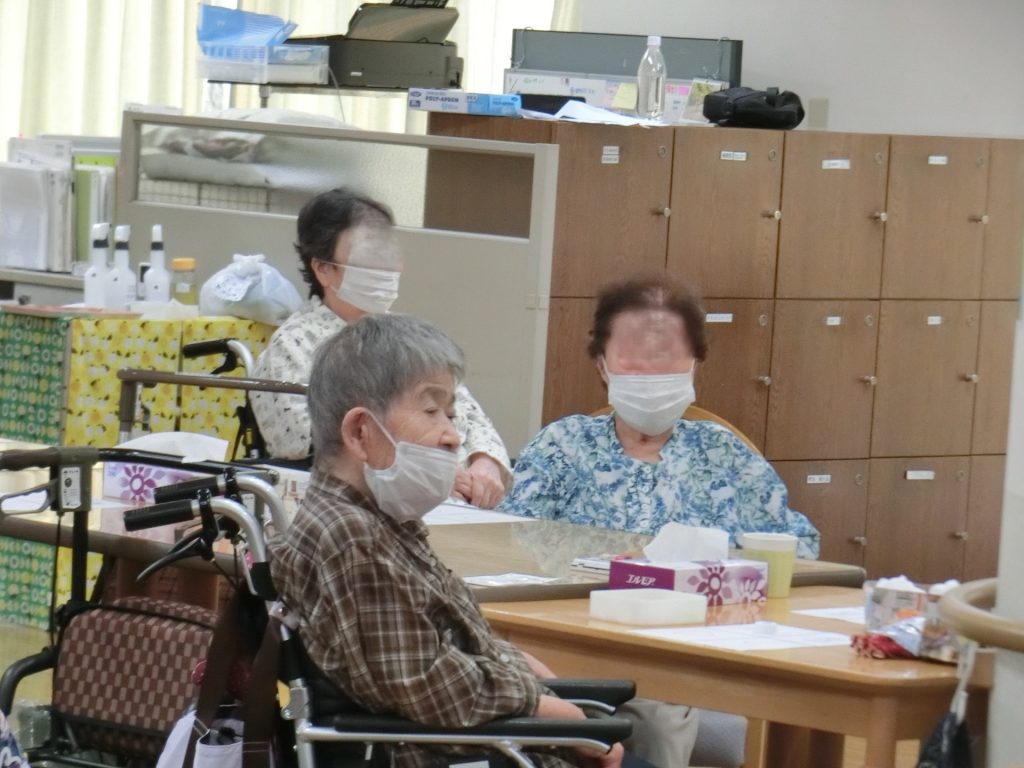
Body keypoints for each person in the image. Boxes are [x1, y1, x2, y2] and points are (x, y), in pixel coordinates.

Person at [270, 313, 658, 768]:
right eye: (432, 411)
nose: (453, 437)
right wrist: (562, 716)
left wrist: (533, 679)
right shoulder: (349, 538)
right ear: (360, 432)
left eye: (451, 414)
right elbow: (428, 685)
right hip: (446, 754)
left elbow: (449, 645)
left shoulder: (381, 521)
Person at [500, 275, 819, 557]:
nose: (650, 371)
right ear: (602, 365)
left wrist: (714, 558)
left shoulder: (724, 453)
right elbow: (507, 541)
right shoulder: (563, 446)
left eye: (666, 356)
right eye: (632, 357)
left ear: (695, 364)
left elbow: (801, 547)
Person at [250, 187, 510, 508]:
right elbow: (302, 442)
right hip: (355, 505)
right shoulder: (293, 344)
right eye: (370, 254)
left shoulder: (409, 338)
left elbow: (466, 413)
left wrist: (485, 464)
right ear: (323, 269)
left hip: (453, 499)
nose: (389, 267)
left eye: (390, 252)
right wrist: (429, 471)